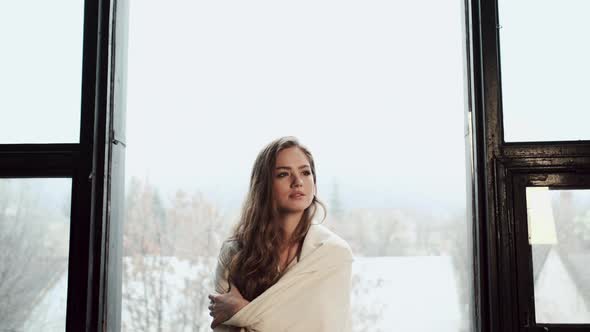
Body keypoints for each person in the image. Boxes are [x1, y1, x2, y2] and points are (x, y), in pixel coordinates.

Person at [208, 136, 353, 332]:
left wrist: (242, 311)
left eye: (305, 172)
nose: (298, 182)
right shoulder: (234, 253)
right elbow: (223, 328)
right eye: (283, 174)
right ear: (264, 185)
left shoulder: (334, 255)